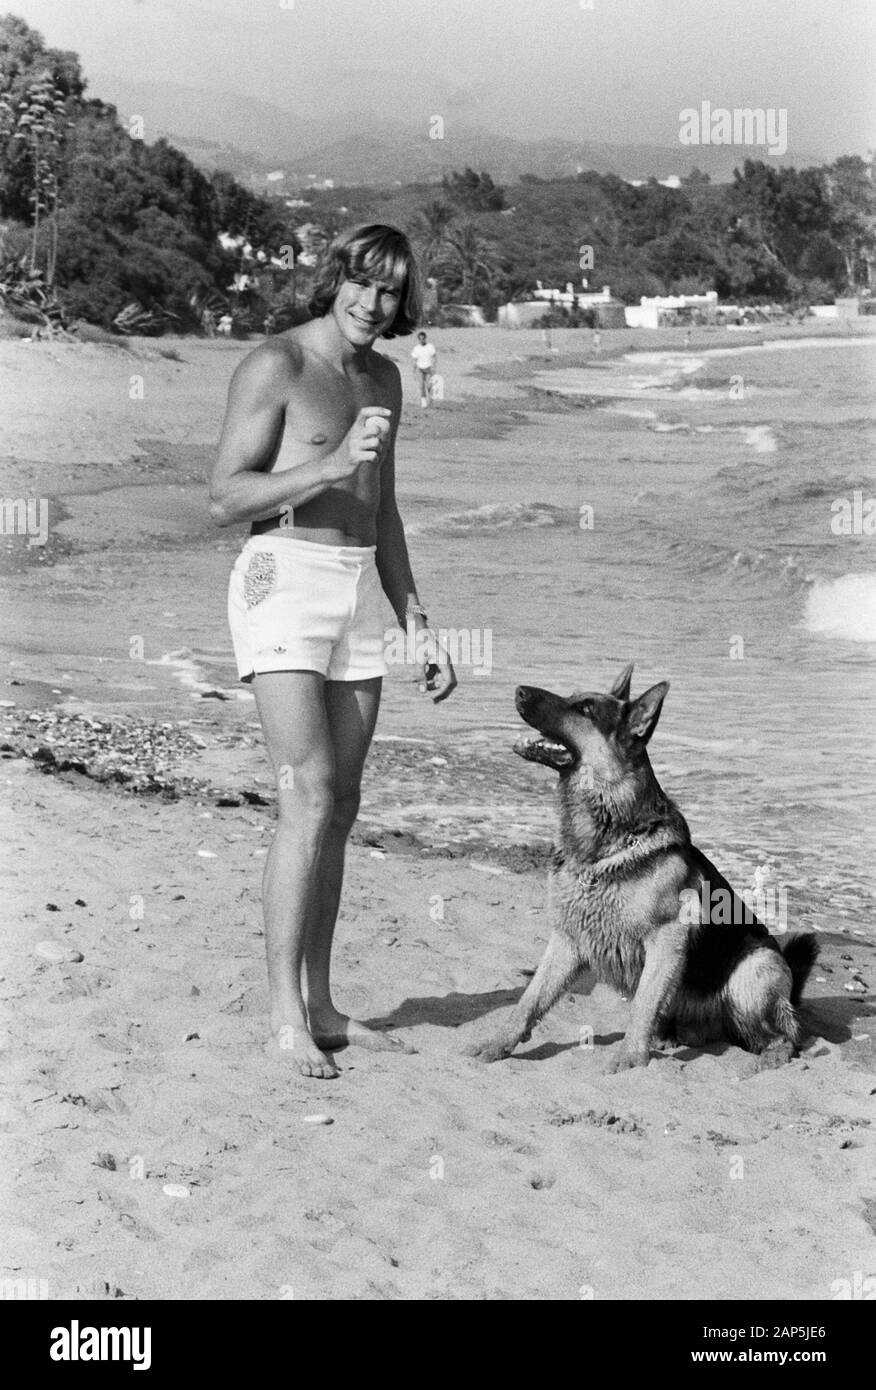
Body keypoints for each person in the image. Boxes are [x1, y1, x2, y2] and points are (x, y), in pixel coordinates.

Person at [210, 224, 456, 1079]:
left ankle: (321, 1001)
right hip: (281, 577)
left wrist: (415, 617)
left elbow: (381, 509)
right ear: (336, 278)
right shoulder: (276, 365)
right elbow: (222, 496)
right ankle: (284, 1015)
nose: (372, 304)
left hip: (355, 588)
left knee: (342, 803)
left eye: (391, 293)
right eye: (362, 283)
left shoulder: (385, 375)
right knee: (305, 797)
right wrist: (328, 466)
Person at [411, 329, 437, 406]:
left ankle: (431, 398)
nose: (421, 340)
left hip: (428, 368)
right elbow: (415, 361)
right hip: (420, 369)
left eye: (423, 338)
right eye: (420, 339)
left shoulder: (430, 347)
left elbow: (434, 357)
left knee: (428, 385)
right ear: (418, 339)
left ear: (425, 338)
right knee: (421, 385)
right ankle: (423, 401)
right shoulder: (416, 348)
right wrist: (413, 371)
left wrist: (434, 367)